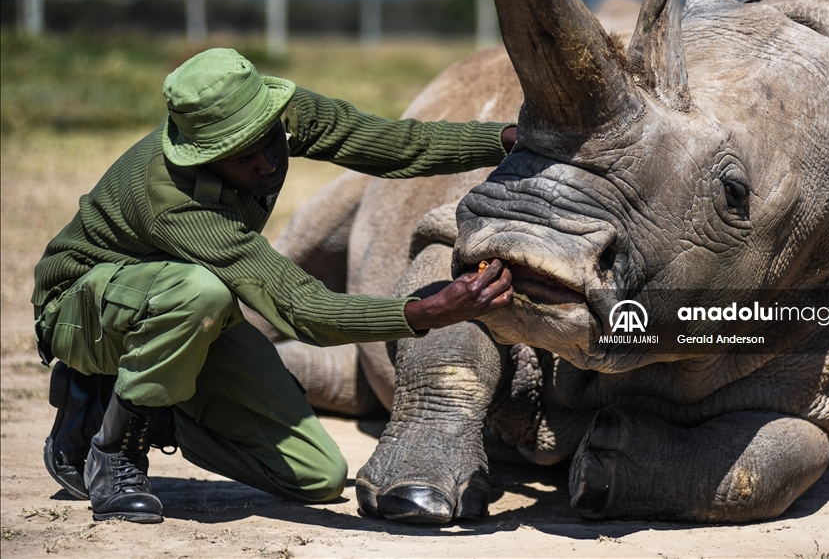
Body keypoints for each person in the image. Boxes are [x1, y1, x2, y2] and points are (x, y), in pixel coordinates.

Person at [33, 47, 516, 523]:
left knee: (317, 475)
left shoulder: (275, 114)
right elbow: (303, 308)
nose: (268, 164)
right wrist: (423, 313)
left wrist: (507, 138)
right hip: (85, 308)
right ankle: (116, 451)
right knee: (202, 290)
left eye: (271, 141)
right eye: (244, 157)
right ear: (203, 155)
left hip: (180, 318)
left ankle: (136, 400)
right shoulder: (175, 199)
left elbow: (392, 144)